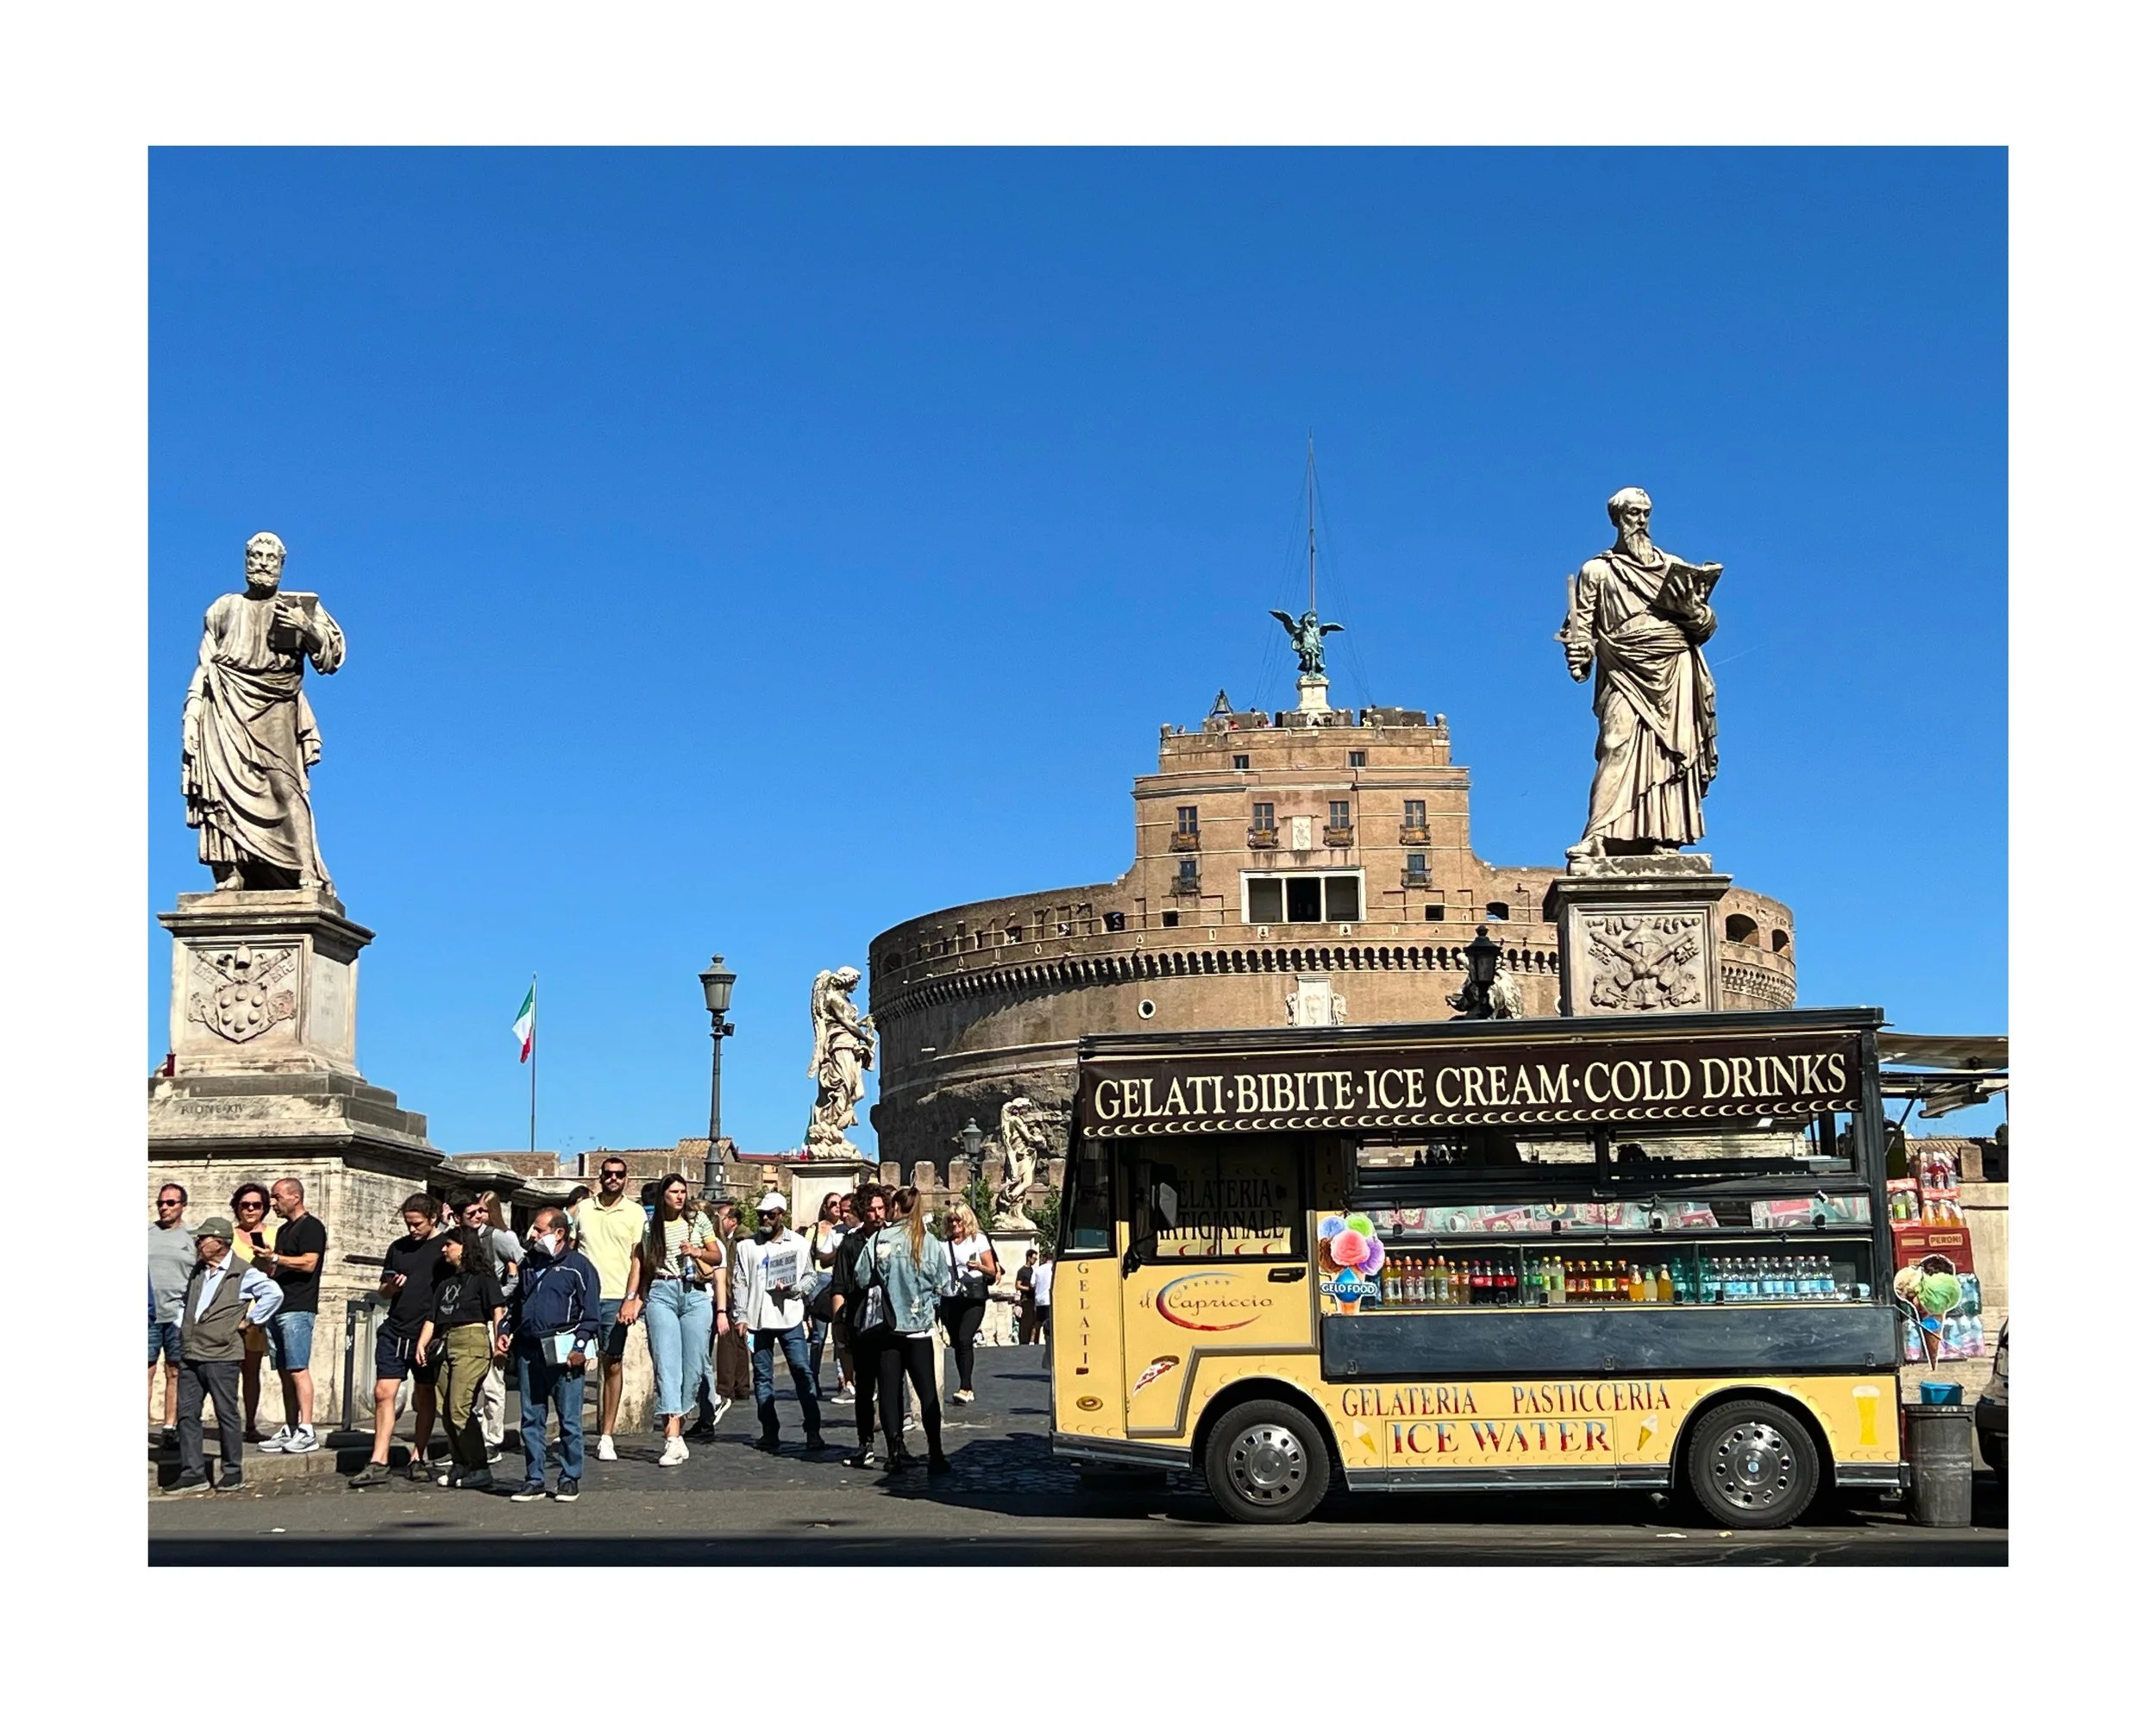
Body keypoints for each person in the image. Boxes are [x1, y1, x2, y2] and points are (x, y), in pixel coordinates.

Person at [1557, 486, 1722, 860]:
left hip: (1674, 667)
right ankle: (1598, 834)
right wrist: (1579, 653)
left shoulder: (1672, 567)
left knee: (1671, 752)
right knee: (1615, 743)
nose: (1641, 520)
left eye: (1646, 513)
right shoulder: (1598, 571)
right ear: (1617, 518)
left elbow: (1706, 625)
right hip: (1623, 669)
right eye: (1633, 513)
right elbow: (1581, 627)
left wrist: (1695, 613)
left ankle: (1666, 834)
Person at [180, 530, 345, 891]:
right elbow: (205, 666)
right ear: (246, 562)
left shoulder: (297, 607)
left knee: (285, 785)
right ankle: (231, 870)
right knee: (222, 787)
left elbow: (331, 658)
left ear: (282, 565)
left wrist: (305, 627)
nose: (263, 564)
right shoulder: (223, 608)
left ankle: (306, 868)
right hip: (224, 705)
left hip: (276, 707)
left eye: (271, 559)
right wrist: (191, 715)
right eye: (256, 557)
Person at [170, 1216, 284, 1491]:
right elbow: (183, 1301)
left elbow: (274, 1293)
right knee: (187, 1414)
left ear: (219, 1242)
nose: (198, 1242)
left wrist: (251, 1320)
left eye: (203, 1238)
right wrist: (183, 1325)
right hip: (191, 1352)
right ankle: (193, 1473)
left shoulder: (242, 1272)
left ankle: (232, 1470)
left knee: (226, 1414)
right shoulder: (198, 1270)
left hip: (222, 1355)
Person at [350, 1194, 452, 1489]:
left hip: (428, 1332)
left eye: (417, 1223)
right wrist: (392, 1287)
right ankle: (378, 1460)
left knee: (424, 1394)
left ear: (433, 1218)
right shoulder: (398, 1248)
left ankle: (418, 1457)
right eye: (408, 1223)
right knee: (383, 1392)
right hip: (395, 1328)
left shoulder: (444, 1248)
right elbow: (382, 1291)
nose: (412, 1229)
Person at [852, 1185, 952, 1474]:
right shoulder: (928, 1242)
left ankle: (894, 1452)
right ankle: (936, 1452)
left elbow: (861, 1277)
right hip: (918, 1327)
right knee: (927, 1392)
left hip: (887, 1327)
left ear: (895, 1208)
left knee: (888, 1392)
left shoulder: (879, 1240)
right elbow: (943, 1283)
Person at [505, 1206, 600, 1502]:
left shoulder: (579, 1267)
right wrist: (505, 1330)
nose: (533, 1234)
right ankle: (534, 1479)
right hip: (529, 1349)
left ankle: (570, 1477)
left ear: (559, 1233)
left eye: (539, 1229)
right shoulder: (528, 1264)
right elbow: (516, 1303)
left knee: (569, 1420)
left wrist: (580, 1347)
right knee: (531, 1418)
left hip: (564, 1351)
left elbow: (591, 1314)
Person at [638, 1174, 724, 1466]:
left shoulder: (698, 1221)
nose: (679, 1196)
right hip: (662, 1291)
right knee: (667, 1365)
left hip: (695, 1295)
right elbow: (644, 1264)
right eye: (674, 1191)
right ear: (663, 1195)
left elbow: (716, 1257)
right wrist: (635, 1297)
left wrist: (696, 1251)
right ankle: (672, 1439)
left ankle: (680, 1425)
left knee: (695, 1366)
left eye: (683, 1191)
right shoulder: (650, 1227)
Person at [414, 1226, 508, 1490]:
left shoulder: (483, 1278)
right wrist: (422, 1343)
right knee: (445, 1409)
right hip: (446, 1340)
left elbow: (497, 1310)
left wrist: (500, 1342)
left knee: (459, 1407)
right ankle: (461, 1463)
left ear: (464, 1247)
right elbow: (433, 1317)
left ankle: (479, 1467)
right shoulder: (445, 1283)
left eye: (450, 1245)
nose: (444, 1249)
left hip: (472, 1340)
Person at [731, 1190, 824, 1453]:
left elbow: (811, 1277)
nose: (765, 1219)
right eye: (762, 1214)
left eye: (770, 1215)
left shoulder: (799, 1244)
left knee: (802, 1372)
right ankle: (769, 1431)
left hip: (789, 1317)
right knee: (762, 1377)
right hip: (758, 1320)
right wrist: (741, 1315)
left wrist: (795, 1289)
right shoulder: (746, 1246)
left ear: (781, 1215)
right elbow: (740, 1282)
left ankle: (813, 1430)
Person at [574, 1157, 647, 1463]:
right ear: (600, 1177)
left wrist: (631, 1298)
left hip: (616, 1297)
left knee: (612, 1363)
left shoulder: (635, 1212)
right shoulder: (582, 1210)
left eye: (619, 1174)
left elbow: (638, 1260)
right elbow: (571, 1249)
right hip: (581, 1297)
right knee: (572, 1361)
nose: (613, 1178)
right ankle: (571, 1428)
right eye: (608, 1174)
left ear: (626, 1179)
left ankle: (606, 1434)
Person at [449, 1191, 522, 1461]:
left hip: (492, 1317)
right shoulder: (454, 1239)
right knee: (465, 1386)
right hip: (463, 1319)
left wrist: (502, 1293)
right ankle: (467, 1441)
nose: (479, 1216)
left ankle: (493, 1439)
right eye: (473, 1212)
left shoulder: (497, 1237)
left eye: (482, 1210)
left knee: (492, 1382)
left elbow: (522, 1265)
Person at [256, 1177, 326, 1456]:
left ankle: (307, 1430)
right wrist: (267, 1262)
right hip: (279, 1306)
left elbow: (309, 1263)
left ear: (295, 1197)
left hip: (298, 1307)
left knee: (298, 1368)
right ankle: (291, 1426)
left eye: (277, 1196)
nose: (272, 1202)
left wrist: (276, 1259)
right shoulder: (285, 1230)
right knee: (285, 1371)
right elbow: (281, 1266)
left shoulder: (312, 1226)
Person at [700, 1199, 754, 1432]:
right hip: (731, 1293)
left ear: (732, 1220)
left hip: (730, 1294)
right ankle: (741, 1386)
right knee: (737, 1341)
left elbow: (730, 1269)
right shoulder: (732, 1239)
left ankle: (725, 1388)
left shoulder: (738, 1240)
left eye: (722, 1218)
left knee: (727, 1343)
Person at [227, 1183, 275, 1440]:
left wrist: (271, 1259)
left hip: (258, 1313)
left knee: (251, 1370)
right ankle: (229, 1423)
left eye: (257, 1205)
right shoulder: (228, 1235)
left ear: (264, 1208)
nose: (250, 1210)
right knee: (226, 1371)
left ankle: (250, 1424)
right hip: (228, 1311)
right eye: (245, 1205)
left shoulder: (274, 1235)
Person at [149, 1183, 197, 1447]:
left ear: (183, 1206)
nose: (164, 1208)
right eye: (161, 1203)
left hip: (179, 1315)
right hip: (148, 1314)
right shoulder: (146, 1234)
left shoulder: (193, 1237)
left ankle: (170, 1426)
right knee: (146, 1370)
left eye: (170, 1203)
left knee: (175, 1371)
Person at [938, 1202, 999, 1405]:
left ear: (966, 1220)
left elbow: (992, 1270)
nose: (955, 1224)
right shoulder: (942, 1244)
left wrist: (979, 1267)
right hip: (950, 1296)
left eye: (958, 1220)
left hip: (973, 1296)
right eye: (951, 1220)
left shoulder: (978, 1240)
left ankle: (966, 1387)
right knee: (957, 1342)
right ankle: (964, 1382)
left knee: (965, 1338)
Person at [802, 1190, 846, 1396]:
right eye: (833, 1204)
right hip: (819, 1281)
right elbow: (808, 1256)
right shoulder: (815, 1229)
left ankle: (843, 1377)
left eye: (839, 1204)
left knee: (840, 1333)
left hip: (838, 1280)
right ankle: (813, 1378)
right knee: (818, 1336)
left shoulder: (845, 1230)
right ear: (825, 1208)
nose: (837, 1207)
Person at [1015, 1249, 1041, 1345]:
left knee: (1034, 1321)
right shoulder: (1022, 1271)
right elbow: (1018, 1285)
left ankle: (1033, 1340)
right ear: (1029, 1258)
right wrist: (1028, 1289)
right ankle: (1024, 1341)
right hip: (1026, 1299)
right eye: (1034, 1258)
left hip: (1034, 1299)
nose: (1035, 1260)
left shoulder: (1034, 1271)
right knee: (1026, 1322)